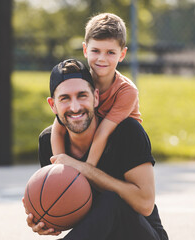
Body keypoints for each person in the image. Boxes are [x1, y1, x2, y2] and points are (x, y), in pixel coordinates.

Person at [23, 59, 168, 240]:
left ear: (96, 97)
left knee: (111, 201)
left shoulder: (127, 132)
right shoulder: (48, 142)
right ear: (53, 105)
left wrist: (84, 169)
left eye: (82, 95)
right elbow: (71, 209)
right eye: (65, 98)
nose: (75, 107)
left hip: (141, 234)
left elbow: (145, 203)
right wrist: (45, 219)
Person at [51, 13, 142, 167]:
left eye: (110, 52)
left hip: (121, 147)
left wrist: (86, 171)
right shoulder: (82, 82)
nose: (102, 59)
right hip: (93, 143)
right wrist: (60, 167)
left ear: (122, 54)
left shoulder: (127, 91)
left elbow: (103, 133)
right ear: (85, 50)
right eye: (96, 51)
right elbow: (58, 128)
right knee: (46, 135)